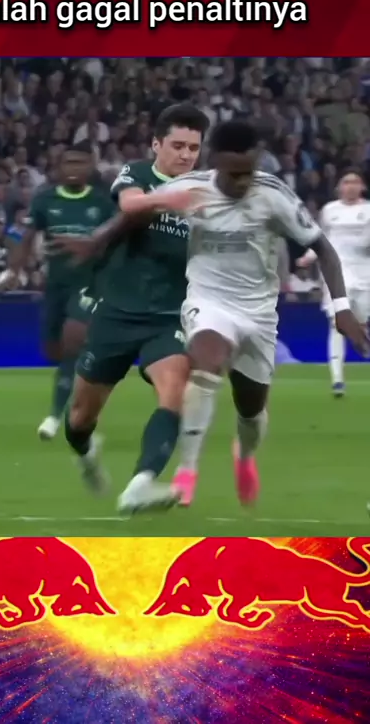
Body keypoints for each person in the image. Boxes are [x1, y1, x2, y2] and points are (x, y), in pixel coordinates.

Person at [123, 121, 369, 507]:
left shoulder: (273, 195)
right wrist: (97, 246)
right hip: (208, 300)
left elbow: (322, 247)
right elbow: (132, 217)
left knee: (251, 409)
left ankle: (245, 454)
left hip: (258, 313)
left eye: (248, 172)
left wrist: (342, 309)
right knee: (205, 365)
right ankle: (187, 471)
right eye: (234, 173)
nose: (242, 181)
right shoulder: (187, 190)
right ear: (215, 162)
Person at [60, 104, 209, 513]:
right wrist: (176, 199)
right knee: (79, 418)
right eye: (177, 145)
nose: (185, 155)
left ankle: (142, 483)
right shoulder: (139, 173)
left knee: (174, 388)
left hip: (171, 314)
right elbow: (130, 206)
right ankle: (86, 453)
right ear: (157, 145)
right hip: (117, 311)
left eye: (193, 148)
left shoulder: (208, 191)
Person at [0, 143, 115, 439]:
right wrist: (14, 270)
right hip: (55, 287)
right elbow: (26, 237)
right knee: (54, 351)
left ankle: (54, 416)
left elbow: (115, 241)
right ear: (59, 167)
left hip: (89, 286)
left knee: (72, 342)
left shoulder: (102, 203)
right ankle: (86, 392)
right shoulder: (45, 200)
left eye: (80, 163)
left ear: (90, 167)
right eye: (69, 163)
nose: (74, 169)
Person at [297, 168, 370, 397]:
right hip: (336, 273)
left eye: (355, 182)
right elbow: (321, 240)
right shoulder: (329, 211)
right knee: (336, 323)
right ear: (339, 187)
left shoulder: (368, 210)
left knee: (360, 323)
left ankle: (361, 339)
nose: (350, 186)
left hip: (364, 274)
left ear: (362, 187)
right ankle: (337, 380)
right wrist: (308, 257)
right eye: (346, 182)